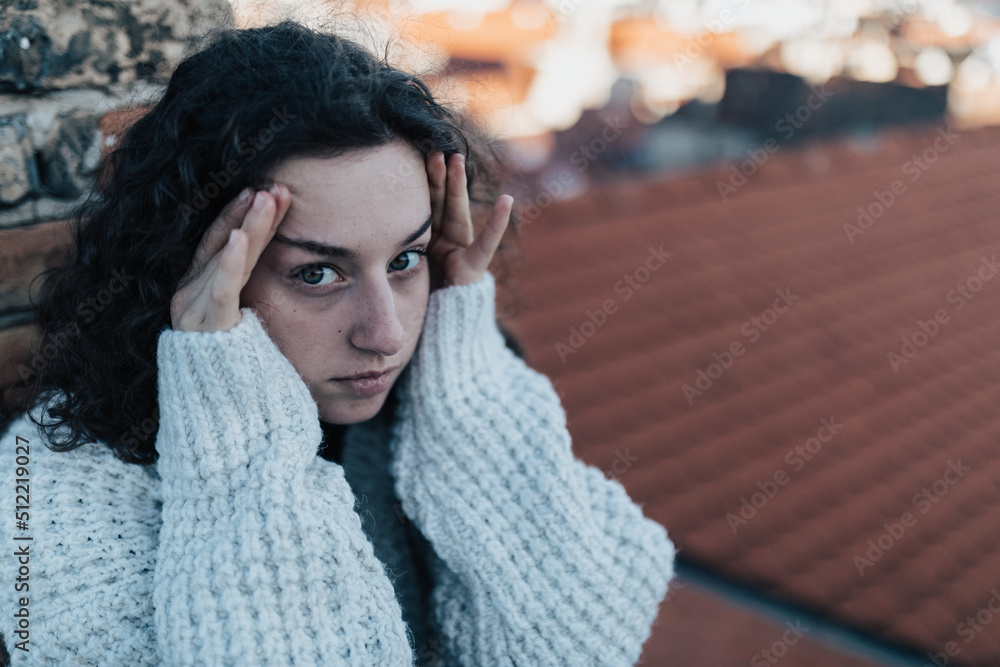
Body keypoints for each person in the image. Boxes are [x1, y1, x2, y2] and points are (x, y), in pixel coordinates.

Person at [0, 19, 675, 665]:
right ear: (190, 268)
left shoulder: (433, 404)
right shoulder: (52, 497)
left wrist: (465, 380)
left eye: (406, 260)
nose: (385, 334)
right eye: (317, 273)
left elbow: (577, 645)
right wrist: (229, 410)